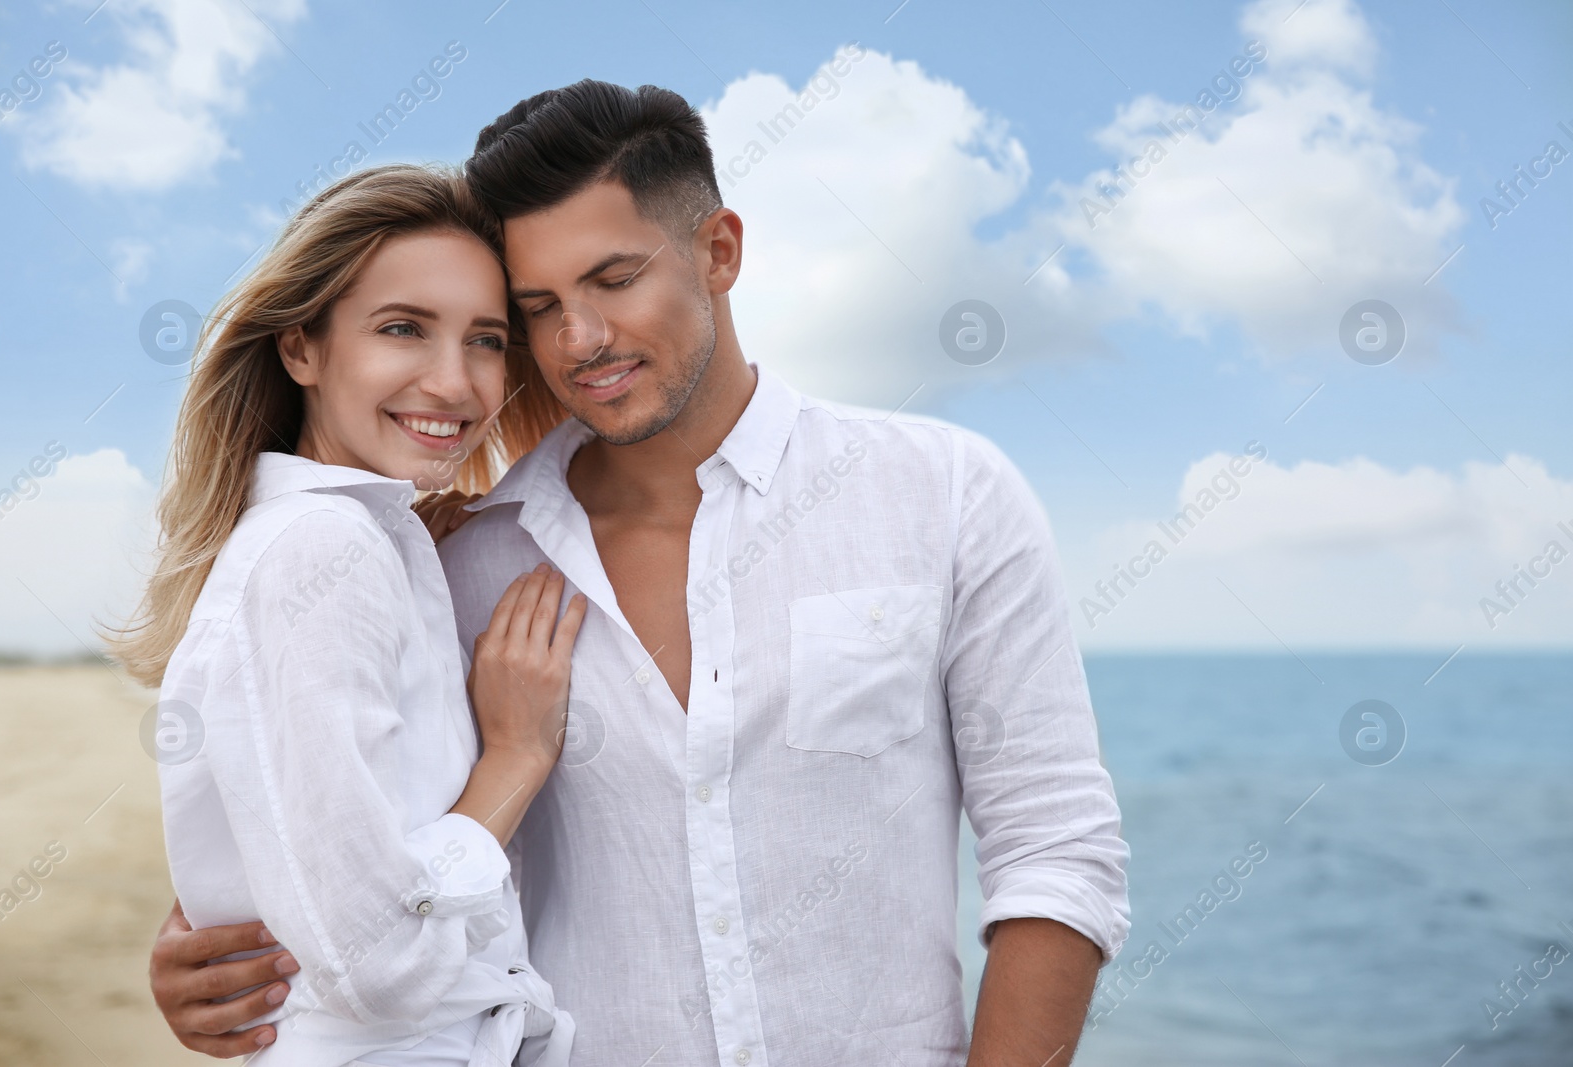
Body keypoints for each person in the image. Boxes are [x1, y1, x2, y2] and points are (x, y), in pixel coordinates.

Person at [151, 82, 1130, 1066]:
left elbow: (1057, 852)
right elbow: (348, 843)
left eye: (613, 279)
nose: (579, 340)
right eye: (537, 309)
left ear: (719, 250)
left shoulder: (943, 496)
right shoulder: (459, 561)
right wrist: (215, 941)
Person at [115, 165, 584, 1066]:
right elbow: (378, 961)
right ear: (302, 347)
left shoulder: (371, 539)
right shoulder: (323, 549)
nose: (455, 382)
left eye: (486, 340)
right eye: (403, 328)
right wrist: (515, 758)